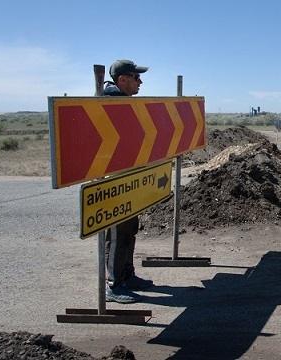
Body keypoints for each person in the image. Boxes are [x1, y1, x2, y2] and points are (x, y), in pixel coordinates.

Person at [103, 59, 153, 303]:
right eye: (136, 76)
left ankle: (127, 275)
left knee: (129, 227)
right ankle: (113, 285)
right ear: (122, 80)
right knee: (117, 231)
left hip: (129, 176)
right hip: (116, 179)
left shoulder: (124, 103)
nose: (140, 81)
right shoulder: (111, 103)